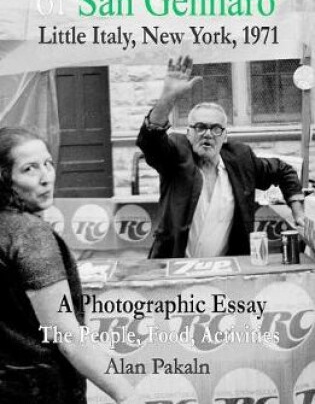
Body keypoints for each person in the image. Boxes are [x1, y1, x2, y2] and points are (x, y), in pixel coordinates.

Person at [0, 127, 144, 404]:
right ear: (5, 178)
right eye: (29, 169)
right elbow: (67, 336)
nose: (46, 178)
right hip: (40, 389)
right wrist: (127, 395)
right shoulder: (29, 234)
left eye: (48, 164)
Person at [137, 56, 305, 259]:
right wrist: (168, 98)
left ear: (225, 136)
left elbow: (282, 170)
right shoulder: (177, 154)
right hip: (174, 268)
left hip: (224, 272)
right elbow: (151, 140)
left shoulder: (241, 159)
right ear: (189, 133)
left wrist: (298, 211)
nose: (207, 134)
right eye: (200, 127)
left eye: (215, 128)